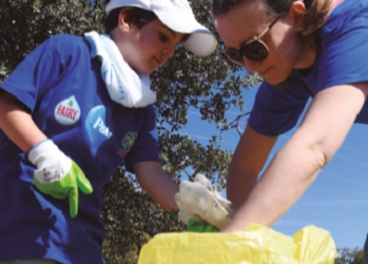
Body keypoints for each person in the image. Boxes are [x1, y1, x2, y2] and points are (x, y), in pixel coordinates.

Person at [0, 0, 217, 263]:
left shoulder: (142, 108)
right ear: (125, 20)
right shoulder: (67, 52)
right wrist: (44, 152)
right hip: (21, 230)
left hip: (81, 244)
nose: (169, 51)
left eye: (175, 45)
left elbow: (150, 172)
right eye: (163, 36)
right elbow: (6, 104)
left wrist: (190, 207)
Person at [211, 0, 368, 245]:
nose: (250, 68)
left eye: (255, 48)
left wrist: (231, 240)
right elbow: (244, 168)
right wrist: (248, 244)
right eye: (235, 55)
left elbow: (314, 147)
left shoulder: (355, 28)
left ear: (296, 15)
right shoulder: (285, 69)